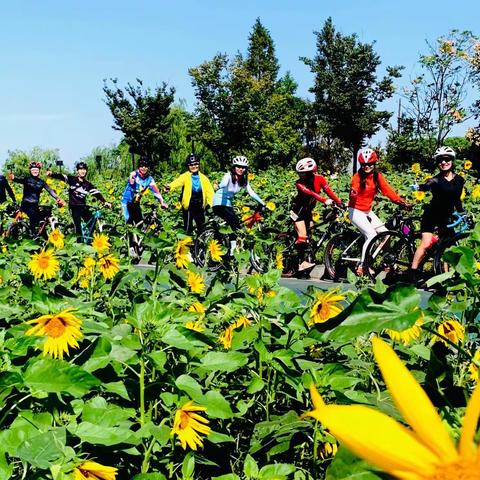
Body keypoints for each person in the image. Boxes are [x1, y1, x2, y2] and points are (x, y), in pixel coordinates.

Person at [349, 148, 411, 276]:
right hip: (355, 210)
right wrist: (353, 194)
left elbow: (388, 191)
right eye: (364, 165)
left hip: (367, 211)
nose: (367, 167)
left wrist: (401, 202)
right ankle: (362, 265)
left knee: (385, 234)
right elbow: (354, 189)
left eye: (370, 164)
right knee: (371, 235)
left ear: (374, 164)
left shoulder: (377, 176)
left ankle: (386, 263)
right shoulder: (357, 177)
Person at [409, 146, 465, 281]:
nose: (443, 162)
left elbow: (457, 199)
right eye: (440, 160)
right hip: (432, 215)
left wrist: (463, 213)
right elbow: (427, 185)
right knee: (427, 243)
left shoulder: (459, 180)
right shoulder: (436, 180)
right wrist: (419, 187)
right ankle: (412, 272)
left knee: (448, 246)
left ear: (452, 161)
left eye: (447, 159)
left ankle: (445, 275)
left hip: (447, 216)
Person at [291, 157, 343, 271]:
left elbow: (328, 191)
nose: (301, 176)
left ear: (311, 172)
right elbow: (310, 193)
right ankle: (300, 262)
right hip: (297, 212)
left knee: (310, 237)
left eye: (304, 174)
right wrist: (324, 200)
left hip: (308, 211)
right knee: (303, 237)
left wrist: (339, 203)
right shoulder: (299, 183)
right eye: (300, 173)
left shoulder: (320, 179)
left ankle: (307, 258)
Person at [47, 161, 111, 241]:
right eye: (80, 169)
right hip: (73, 207)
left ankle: (90, 243)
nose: (82, 171)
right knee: (78, 228)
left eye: (84, 169)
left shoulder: (88, 184)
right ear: (77, 171)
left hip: (83, 207)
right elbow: (62, 176)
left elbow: (96, 193)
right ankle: (78, 246)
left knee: (92, 224)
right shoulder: (72, 180)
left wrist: (105, 202)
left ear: (86, 171)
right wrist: (51, 175)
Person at [213, 155, 264, 251]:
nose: (241, 169)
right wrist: (218, 186)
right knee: (234, 220)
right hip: (218, 203)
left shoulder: (243, 180)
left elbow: (251, 193)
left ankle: (230, 244)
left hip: (228, 204)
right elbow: (224, 183)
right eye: (238, 166)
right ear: (234, 167)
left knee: (236, 225)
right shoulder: (228, 175)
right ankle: (233, 248)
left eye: (243, 167)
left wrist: (263, 203)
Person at [9, 162, 65, 236]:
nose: (35, 171)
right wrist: (13, 178)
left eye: (36, 170)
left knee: (44, 215)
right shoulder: (26, 179)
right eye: (33, 170)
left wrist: (58, 198)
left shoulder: (41, 182)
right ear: (30, 171)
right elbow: (18, 179)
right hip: (26, 205)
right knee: (33, 216)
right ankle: (33, 234)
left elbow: (50, 190)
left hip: (35, 205)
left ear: (39, 171)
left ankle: (41, 233)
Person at [165, 153, 214, 234]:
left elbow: (210, 193)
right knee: (188, 228)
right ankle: (188, 244)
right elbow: (177, 182)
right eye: (191, 165)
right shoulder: (185, 176)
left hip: (200, 206)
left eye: (196, 164)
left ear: (199, 164)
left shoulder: (204, 178)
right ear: (188, 166)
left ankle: (200, 245)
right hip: (189, 207)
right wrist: (170, 187)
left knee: (202, 228)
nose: (194, 166)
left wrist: (213, 205)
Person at [121, 157, 168, 225]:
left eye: (146, 166)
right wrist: (132, 178)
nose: (143, 168)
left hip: (136, 203)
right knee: (129, 223)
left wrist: (162, 202)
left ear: (148, 168)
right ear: (138, 167)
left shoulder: (149, 179)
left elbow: (156, 192)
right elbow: (132, 183)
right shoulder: (134, 174)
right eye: (141, 166)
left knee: (139, 224)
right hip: (126, 202)